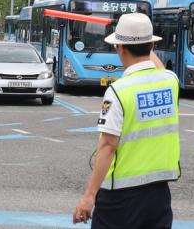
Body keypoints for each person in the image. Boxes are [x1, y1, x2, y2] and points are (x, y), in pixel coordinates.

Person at [73, 13, 180, 229]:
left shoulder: (118, 92)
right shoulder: (171, 81)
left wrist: (89, 196)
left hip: (119, 199)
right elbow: (157, 67)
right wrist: (142, 38)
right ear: (151, 45)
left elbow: (107, 146)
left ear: (119, 48)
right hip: (159, 194)